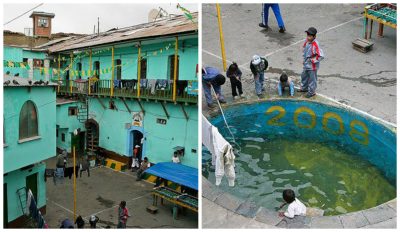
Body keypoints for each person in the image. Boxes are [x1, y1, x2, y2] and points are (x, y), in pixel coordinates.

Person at [298, 27, 324, 98]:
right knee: (304, 76)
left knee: (312, 79)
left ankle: (311, 92)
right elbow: (304, 50)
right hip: (306, 63)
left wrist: (312, 60)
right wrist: (304, 60)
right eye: (308, 35)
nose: (308, 37)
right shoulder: (306, 41)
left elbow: (321, 56)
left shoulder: (316, 45)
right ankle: (304, 88)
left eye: (310, 36)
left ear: (314, 36)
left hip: (312, 66)